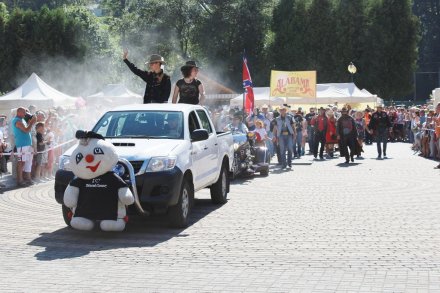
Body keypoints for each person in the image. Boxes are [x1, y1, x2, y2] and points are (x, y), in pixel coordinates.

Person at [12, 107, 36, 186]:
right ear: (18, 112)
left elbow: (27, 129)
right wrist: (31, 122)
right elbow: (25, 130)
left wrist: (30, 122)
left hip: (27, 144)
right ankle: (20, 180)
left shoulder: (22, 120)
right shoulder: (17, 120)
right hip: (22, 144)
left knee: (28, 162)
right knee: (21, 162)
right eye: (24, 112)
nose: (25, 114)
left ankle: (28, 179)